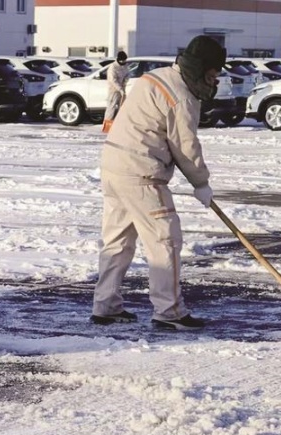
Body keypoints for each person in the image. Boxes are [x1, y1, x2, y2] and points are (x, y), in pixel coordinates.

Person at [91, 35, 226, 330]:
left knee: (117, 241)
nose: (215, 81)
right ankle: (170, 312)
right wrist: (201, 183)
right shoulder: (181, 97)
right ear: (201, 69)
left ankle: (106, 306)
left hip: (114, 167)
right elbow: (185, 147)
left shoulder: (155, 77)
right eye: (213, 74)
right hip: (142, 175)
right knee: (165, 241)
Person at [102, 51, 129, 133]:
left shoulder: (124, 66)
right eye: (122, 60)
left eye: (124, 60)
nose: (124, 62)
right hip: (113, 90)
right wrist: (120, 89)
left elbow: (127, 74)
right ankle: (107, 126)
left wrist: (125, 82)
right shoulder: (113, 67)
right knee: (111, 107)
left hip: (122, 89)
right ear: (119, 59)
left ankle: (119, 125)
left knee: (122, 107)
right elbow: (113, 80)